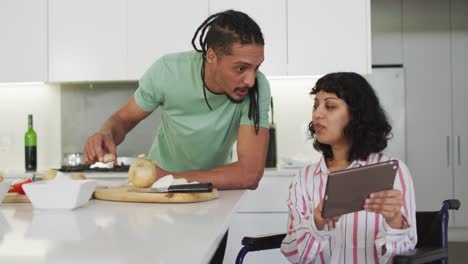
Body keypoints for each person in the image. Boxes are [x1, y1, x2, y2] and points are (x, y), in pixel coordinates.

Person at [83, 10, 271, 191]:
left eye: (256, 68)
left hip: (213, 190)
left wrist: (171, 178)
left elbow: (250, 174)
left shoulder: (257, 88)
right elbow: (124, 120)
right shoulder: (168, 72)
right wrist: (106, 133)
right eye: (241, 69)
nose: (250, 80)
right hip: (159, 190)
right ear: (211, 56)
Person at [280, 72, 417, 263]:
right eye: (316, 105)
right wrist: (316, 223)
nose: (317, 114)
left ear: (357, 115)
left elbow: (406, 254)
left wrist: (395, 222)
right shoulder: (303, 179)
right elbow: (294, 256)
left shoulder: (394, 173)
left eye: (330, 106)